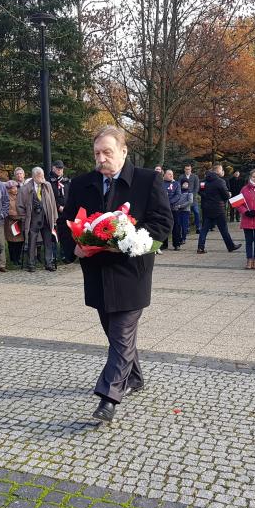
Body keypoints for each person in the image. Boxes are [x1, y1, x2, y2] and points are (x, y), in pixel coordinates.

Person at [62, 125, 173, 422]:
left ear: (123, 151)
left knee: (122, 332)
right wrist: (74, 248)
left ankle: (109, 397)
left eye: (107, 152)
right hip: (96, 273)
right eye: (97, 153)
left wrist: (128, 243)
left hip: (131, 272)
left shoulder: (148, 180)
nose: (101, 158)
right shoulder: (83, 183)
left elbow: (163, 223)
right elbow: (66, 222)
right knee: (115, 333)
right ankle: (134, 376)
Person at [18, 167, 58, 272]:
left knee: (48, 241)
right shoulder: (25, 188)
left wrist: (54, 218)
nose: (43, 178)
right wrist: (24, 218)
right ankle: (31, 264)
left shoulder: (47, 186)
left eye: (43, 176)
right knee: (32, 242)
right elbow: (20, 206)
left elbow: (53, 202)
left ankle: (48, 263)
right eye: (40, 176)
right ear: (34, 177)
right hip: (32, 220)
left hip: (46, 218)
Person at [196, 164, 239, 254]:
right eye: (221, 169)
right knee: (223, 229)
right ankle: (230, 246)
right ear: (218, 171)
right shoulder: (220, 181)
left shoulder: (204, 181)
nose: (222, 171)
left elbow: (200, 191)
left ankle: (200, 247)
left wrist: (206, 196)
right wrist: (229, 195)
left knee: (204, 229)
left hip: (207, 208)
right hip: (218, 208)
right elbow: (225, 195)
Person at [49, 160, 74, 263]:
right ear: (53, 168)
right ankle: (53, 256)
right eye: (58, 168)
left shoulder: (66, 181)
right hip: (54, 211)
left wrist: (68, 207)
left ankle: (65, 255)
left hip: (66, 211)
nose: (60, 170)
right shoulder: (49, 181)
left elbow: (71, 195)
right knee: (54, 234)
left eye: (61, 168)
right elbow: (49, 198)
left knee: (66, 233)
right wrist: (58, 206)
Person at [4, 174, 25, 264]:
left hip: (20, 223)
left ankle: (18, 258)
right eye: (13, 188)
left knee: (20, 242)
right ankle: (13, 258)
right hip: (11, 223)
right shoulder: (6, 198)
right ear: (8, 189)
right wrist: (19, 217)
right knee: (12, 242)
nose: (15, 189)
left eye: (16, 187)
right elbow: (9, 211)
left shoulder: (20, 196)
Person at [160, 169, 181, 251]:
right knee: (164, 226)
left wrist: (169, 202)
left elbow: (178, 195)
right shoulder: (160, 184)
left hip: (173, 208)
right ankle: (164, 244)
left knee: (176, 226)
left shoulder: (176, 184)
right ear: (164, 175)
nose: (171, 175)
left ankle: (176, 244)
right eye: (169, 174)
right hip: (163, 209)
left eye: (172, 174)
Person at [174, 178, 193, 249]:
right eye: (184, 184)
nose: (185, 185)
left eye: (187, 184)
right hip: (178, 210)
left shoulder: (189, 192)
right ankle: (179, 238)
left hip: (185, 211)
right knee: (178, 225)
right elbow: (176, 198)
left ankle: (184, 238)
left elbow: (190, 201)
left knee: (184, 225)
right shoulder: (179, 191)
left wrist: (181, 206)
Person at [182, 164, 201, 233]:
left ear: (191, 169)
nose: (187, 170)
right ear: (184, 169)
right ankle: (187, 228)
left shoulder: (195, 177)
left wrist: (192, 195)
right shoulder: (181, 177)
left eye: (189, 169)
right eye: (186, 169)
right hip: (184, 198)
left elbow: (197, 187)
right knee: (186, 214)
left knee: (196, 212)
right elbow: (179, 186)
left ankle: (198, 227)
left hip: (193, 198)